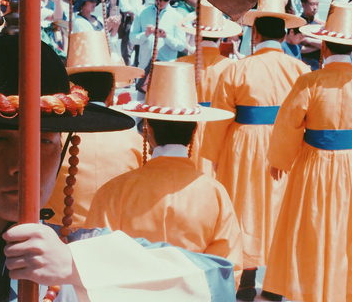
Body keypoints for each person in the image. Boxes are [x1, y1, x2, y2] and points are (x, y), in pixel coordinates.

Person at [0, 9, 237, 302]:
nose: (21, 167)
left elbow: (217, 282)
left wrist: (78, 266)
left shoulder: (87, 254)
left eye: (44, 142)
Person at [84, 61, 243, 287]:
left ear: (147, 129)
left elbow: (96, 255)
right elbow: (227, 267)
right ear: (195, 129)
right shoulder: (215, 193)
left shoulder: (115, 190)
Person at [200, 0, 310, 301]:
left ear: (255, 32)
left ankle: (246, 281)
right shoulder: (302, 71)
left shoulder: (236, 68)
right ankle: (275, 285)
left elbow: (219, 121)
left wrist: (211, 161)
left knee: (243, 211)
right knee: (281, 213)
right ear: (286, 32)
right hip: (288, 148)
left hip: (243, 148)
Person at [263, 1, 352, 302]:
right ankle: (345, 290)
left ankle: (309, 289)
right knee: (346, 230)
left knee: (310, 228)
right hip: (351, 167)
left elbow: (288, 123)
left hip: (313, 164)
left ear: (323, 46)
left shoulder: (310, 82)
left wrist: (280, 160)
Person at [45, 30, 144, 228]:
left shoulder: (53, 135)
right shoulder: (136, 141)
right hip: (115, 235)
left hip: (58, 232)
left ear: (71, 89)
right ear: (110, 94)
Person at [176, 0, 241, 177]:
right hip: (217, 131)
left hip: (184, 131)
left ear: (196, 35)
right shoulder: (230, 66)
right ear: (220, 37)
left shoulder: (180, 64)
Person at [129, 0, 185, 72]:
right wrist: (145, 34)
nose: (160, 2)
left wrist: (166, 37)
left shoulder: (177, 17)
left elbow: (181, 46)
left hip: (167, 70)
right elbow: (132, 39)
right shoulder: (142, 13)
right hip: (144, 68)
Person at [300, 0, 323, 71]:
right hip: (302, 67)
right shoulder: (297, 24)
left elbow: (325, 45)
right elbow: (299, 49)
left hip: (317, 68)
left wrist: (307, 40)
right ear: (303, 4)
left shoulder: (319, 25)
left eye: (317, 4)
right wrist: (319, 46)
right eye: (312, 4)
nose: (315, 8)